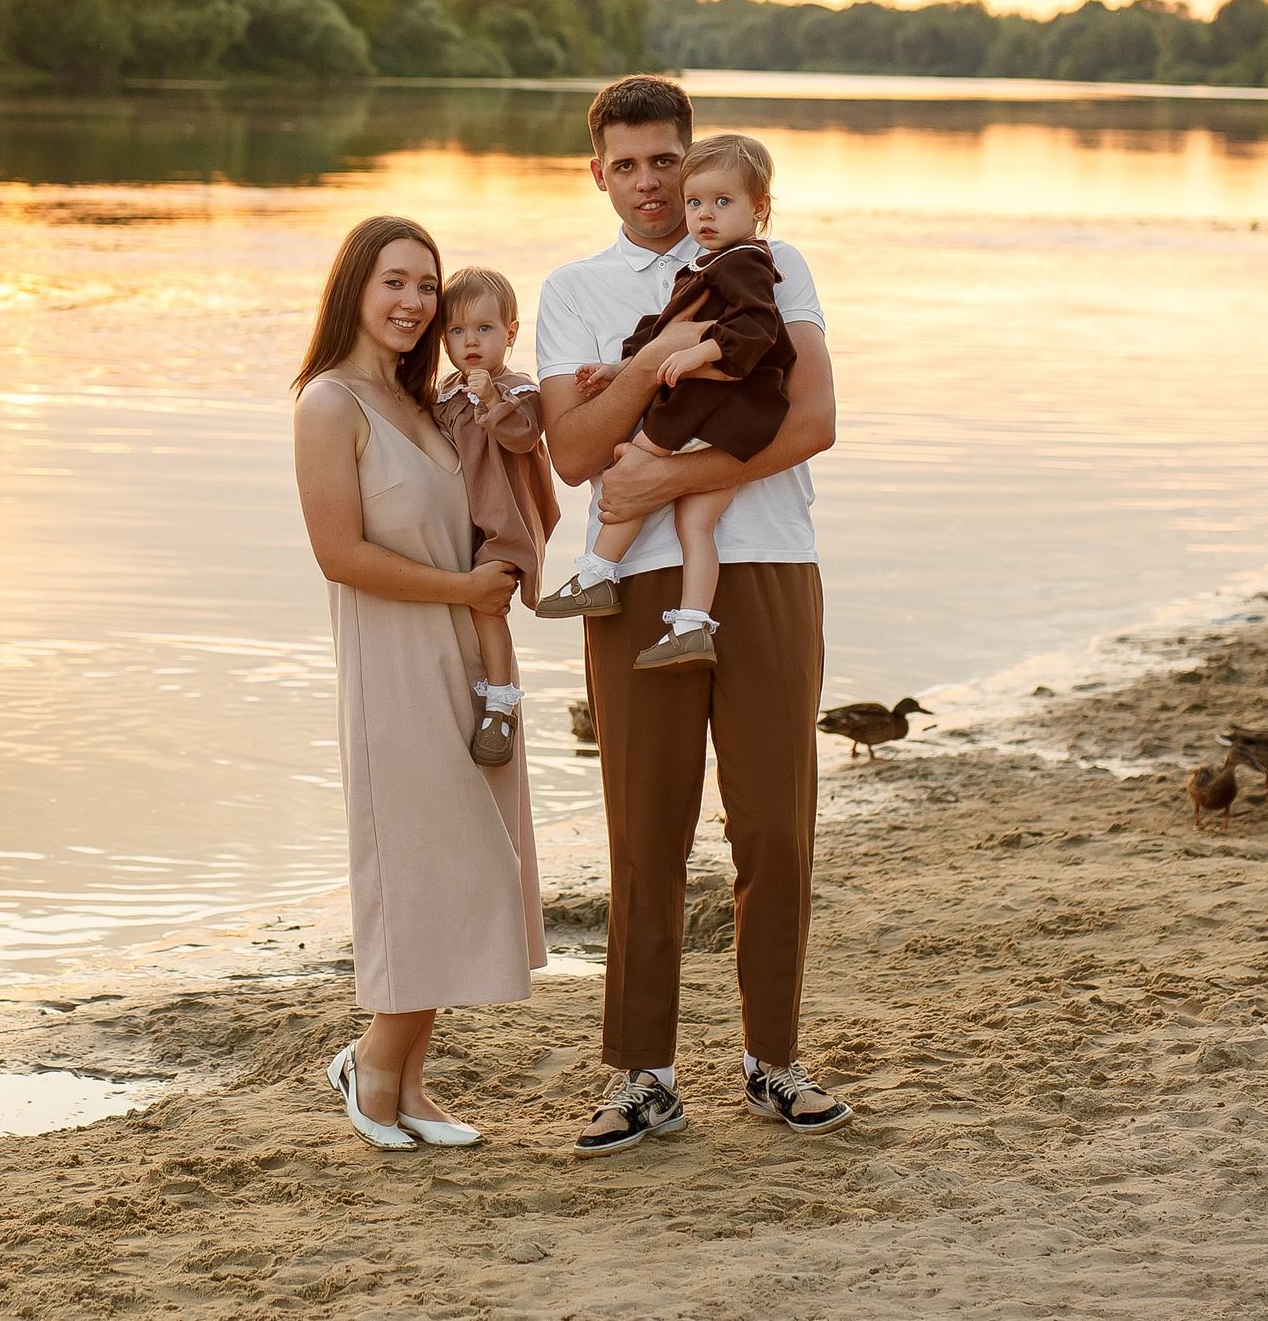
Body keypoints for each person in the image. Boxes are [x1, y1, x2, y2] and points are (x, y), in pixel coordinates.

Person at [533, 77, 853, 1156]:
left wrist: (660, 483)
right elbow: (574, 454)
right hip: (633, 590)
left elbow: (810, 422)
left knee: (772, 825)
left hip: (763, 564)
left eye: (663, 161)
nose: (648, 185)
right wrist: (644, 365)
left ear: (692, 159)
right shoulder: (574, 289)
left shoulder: (769, 261)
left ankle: (773, 1061)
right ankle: (641, 1075)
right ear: (598, 174)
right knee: (644, 831)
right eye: (623, 165)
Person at [292, 216, 548, 1151]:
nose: (411, 302)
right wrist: (463, 589)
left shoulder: (430, 404)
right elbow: (337, 553)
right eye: (394, 282)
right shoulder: (330, 405)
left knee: (470, 863)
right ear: (356, 286)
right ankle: (371, 1059)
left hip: (472, 659)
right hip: (394, 662)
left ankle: (404, 1080)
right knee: (432, 865)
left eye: (427, 288)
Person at [535, 136, 793, 674]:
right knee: (695, 523)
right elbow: (655, 334)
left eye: (720, 202)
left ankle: (597, 573)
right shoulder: (699, 266)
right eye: (699, 202)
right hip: (728, 422)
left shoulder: (748, 261)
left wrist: (700, 349)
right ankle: (691, 623)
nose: (703, 213)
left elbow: (758, 328)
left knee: (632, 463)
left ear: (758, 207)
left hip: (712, 416)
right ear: (600, 173)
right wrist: (623, 369)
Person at [434, 266, 561, 765]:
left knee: (487, 604)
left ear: (510, 334)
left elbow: (524, 437)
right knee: (458, 604)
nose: (470, 342)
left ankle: (501, 702)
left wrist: (491, 399)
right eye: (457, 331)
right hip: (457, 523)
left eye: (484, 330)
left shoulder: (520, 391)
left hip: (504, 521)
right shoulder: (444, 392)